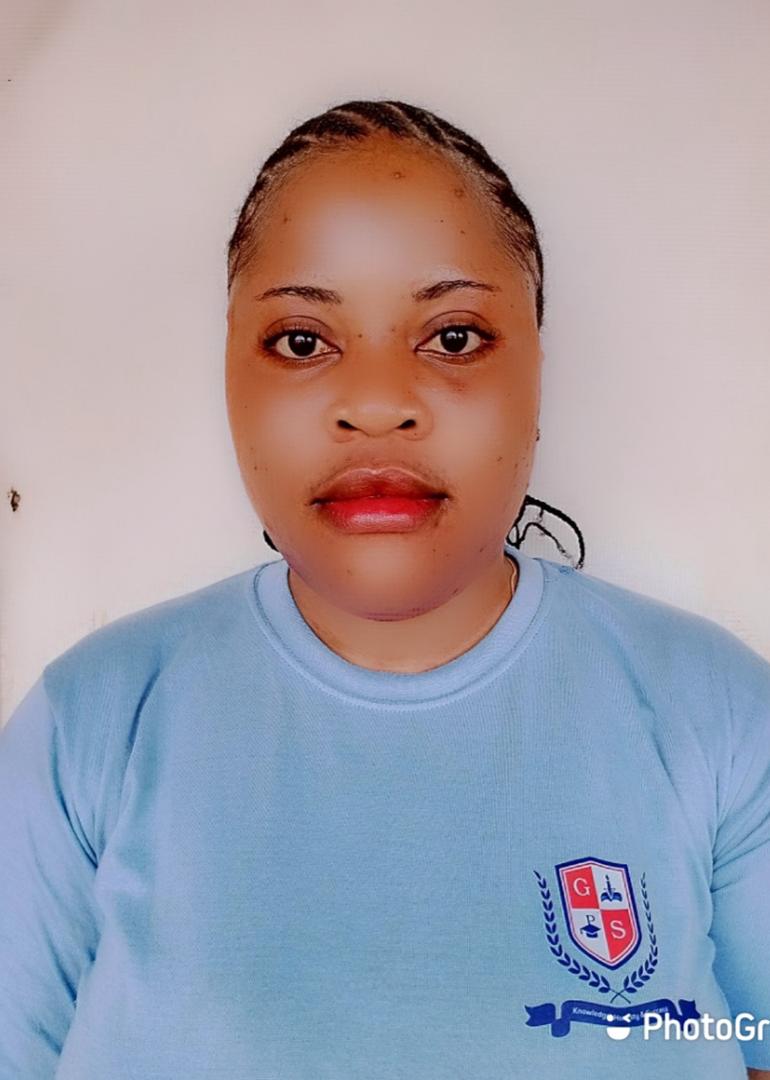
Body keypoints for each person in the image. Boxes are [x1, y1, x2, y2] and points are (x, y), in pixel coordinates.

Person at [1, 98, 769, 1080]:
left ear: (537, 372)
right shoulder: (87, 727)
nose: (374, 405)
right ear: (229, 372)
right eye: (301, 341)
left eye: (452, 337)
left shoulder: (719, 715)